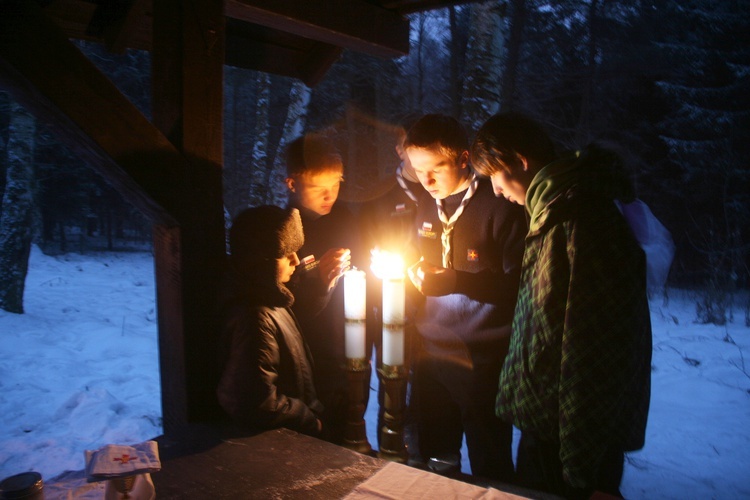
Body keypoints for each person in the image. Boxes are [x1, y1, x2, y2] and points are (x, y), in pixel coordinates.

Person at [471, 112, 652, 499]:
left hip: (571, 438)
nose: (496, 191)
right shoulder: (553, 213)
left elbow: (593, 349)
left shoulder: (579, 221)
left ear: (519, 161)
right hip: (550, 427)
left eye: (495, 177)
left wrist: (582, 469)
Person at [404, 114, 526, 482]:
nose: (425, 181)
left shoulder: (501, 203)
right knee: (433, 457)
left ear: (461, 159)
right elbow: (413, 254)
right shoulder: (427, 204)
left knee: (489, 458)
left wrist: (458, 281)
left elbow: (518, 284)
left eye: (435, 169)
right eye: (416, 170)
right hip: (431, 352)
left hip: (484, 359)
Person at [216, 205, 324, 438]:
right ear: (260, 260)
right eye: (285, 254)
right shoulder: (255, 318)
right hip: (279, 442)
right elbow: (254, 400)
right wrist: (305, 417)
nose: (296, 260)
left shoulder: (272, 300)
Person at [283, 132, 363, 445]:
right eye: (320, 188)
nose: (330, 195)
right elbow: (286, 307)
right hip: (310, 358)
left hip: (350, 346)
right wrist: (319, 277)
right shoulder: (284, 231)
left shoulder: (345, 219)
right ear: (292, 184)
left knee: (351, 431)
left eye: (337, 184)